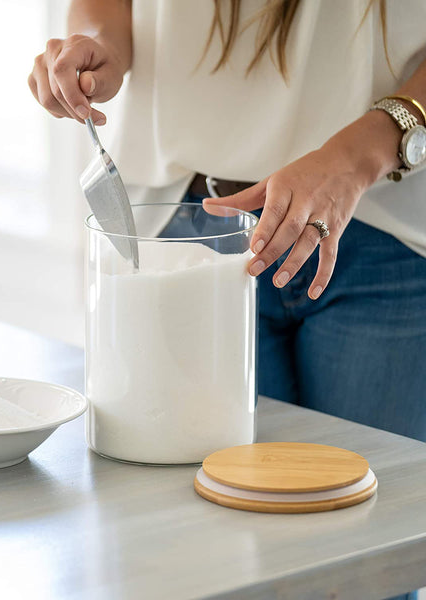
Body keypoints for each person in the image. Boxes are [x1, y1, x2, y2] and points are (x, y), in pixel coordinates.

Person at [30, 3, 426, 597]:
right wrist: (98, 45)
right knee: (186, 557)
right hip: (196, 233)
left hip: (377, 228)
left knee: (369, 564)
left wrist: (357, 154)